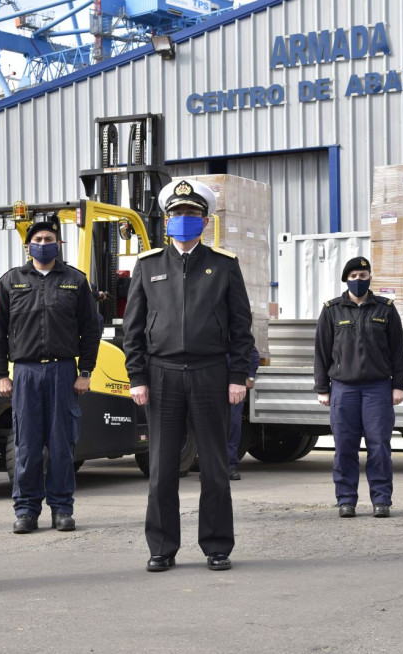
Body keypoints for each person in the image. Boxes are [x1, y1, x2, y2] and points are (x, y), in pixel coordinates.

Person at [122, 178, 254, 573]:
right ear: (166, 221)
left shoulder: (224, 265)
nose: (184, 219)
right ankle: (161, 547)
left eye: (192, 214)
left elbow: (240, 328)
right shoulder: (147, 266)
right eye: (177, 213)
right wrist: (137, 377)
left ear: (206, 220)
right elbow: (134, 329)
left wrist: (237, 376)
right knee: (162, 467)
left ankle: (217, 545)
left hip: (211, 373)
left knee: (214, 466)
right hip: (161, 375)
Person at [0, 215, 100, 534]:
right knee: (26, 444)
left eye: (49, 239)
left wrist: (86, 371)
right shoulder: (11, 281)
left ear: (59, 244)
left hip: (63, 372)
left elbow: (91, 331)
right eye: (37, 240)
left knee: (61, 444)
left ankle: (62, 509)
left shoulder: (76, 281)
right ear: (27, 246)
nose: (42, 244)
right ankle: (26, 511)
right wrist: (0, 373)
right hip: (24, 373)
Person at [314, 257, 403, 518]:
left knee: (379, 446)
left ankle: (382, 500)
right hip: (344, 389)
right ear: (346, 279)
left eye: (363, 275)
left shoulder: (385, 309)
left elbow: (398, 350)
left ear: (370, 278)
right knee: (345, 447)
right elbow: (321, 352)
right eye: (353, 276)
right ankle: (346, 500)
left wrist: (398, 385)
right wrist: (323, 388)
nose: (358, 280)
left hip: (378, 388)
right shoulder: (332, 310)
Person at [227, 345, 260, 481]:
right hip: (210, 384)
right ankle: (210, 467)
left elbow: (253, 353)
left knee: (233, 424)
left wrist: (250, 376)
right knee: (209, 428)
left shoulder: (233, 332)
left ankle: (230, 465)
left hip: (234, 386)